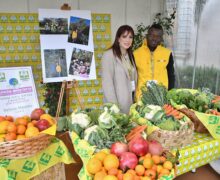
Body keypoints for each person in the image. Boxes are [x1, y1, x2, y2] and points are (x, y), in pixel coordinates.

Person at [101, 25, 137, 114]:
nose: (127, 40)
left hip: (130, 102)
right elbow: (107, 84)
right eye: (124, 36)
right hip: (117, 106)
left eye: (130, 37)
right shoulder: (109, 55)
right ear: (118, 39)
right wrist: (114, 107)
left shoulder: (130, 55)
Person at [134, 23, 175, 100]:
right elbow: (133, 77)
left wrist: (170, 94)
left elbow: (171, 76)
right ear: (147, 36)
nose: (154, 38)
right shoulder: (136, 54)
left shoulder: (167, 53)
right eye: (152, 35)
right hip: (141, 97)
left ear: (161, 38)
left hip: (162, 98)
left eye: (158, 36)